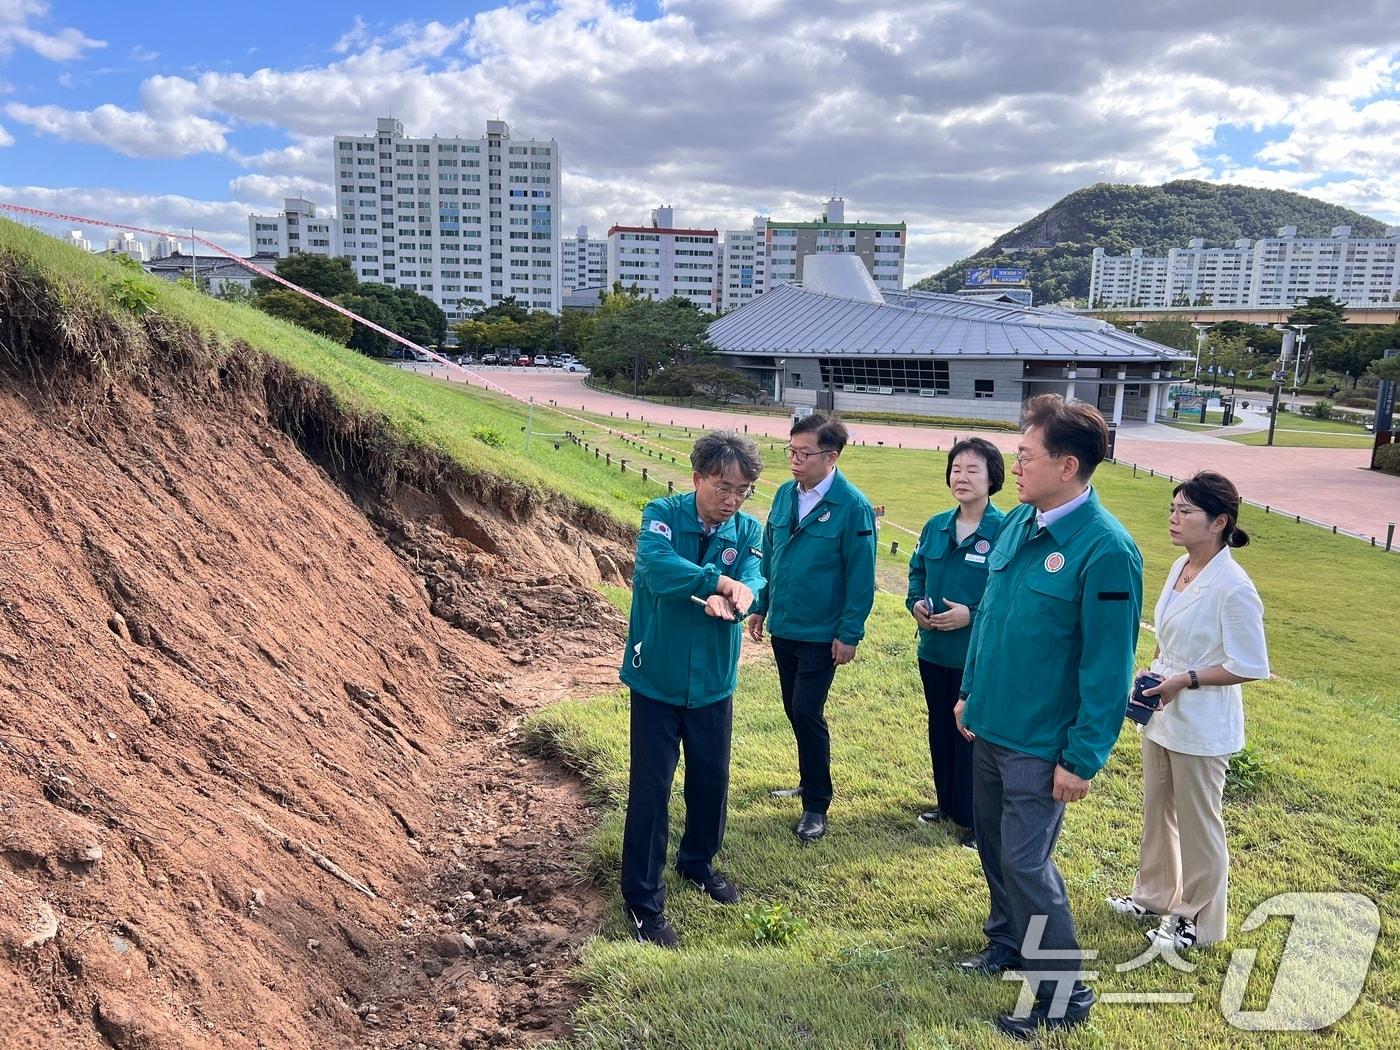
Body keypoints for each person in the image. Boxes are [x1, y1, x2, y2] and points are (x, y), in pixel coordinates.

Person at [952, 394, 1143, 1040]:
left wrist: (1082, 757)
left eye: (1025, 456)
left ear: (1066, 466)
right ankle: (1006, 943)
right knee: (997, 853)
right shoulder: (1019, 524)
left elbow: (1108, 666)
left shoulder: (1106, 550)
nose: (1016, 465)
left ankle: (1065, 993)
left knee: (1028, 865)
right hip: (990, 725)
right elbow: (992, 618)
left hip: (1041, 744)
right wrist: (969, 692)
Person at [1106, 471, 1269, 951]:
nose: (1174, 519)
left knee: (1200, 823)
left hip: (1202, 721)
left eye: (1186, 512)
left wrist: (1186, 679)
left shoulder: (1234, 587)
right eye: (1172, 510)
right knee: (1158, 810)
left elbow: (1250, 664)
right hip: (1162, 710)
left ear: (1220, 521)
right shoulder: (1181, 566)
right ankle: (1154, 895)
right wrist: (1160, 674)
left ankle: (1198, 921)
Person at [619, 430, 766, 948]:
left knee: (711, 780)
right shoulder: (662, 513)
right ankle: (642, 900)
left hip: (713, 684)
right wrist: (714, 582)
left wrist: (742, 595)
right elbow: (657, 569)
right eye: (723, 487)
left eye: (742, 490)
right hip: (657, 678)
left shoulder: (747, 529)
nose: (732, 500)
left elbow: (753, 576)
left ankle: (698, 863)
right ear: (698, 476)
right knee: (651, 791)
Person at [747, 412, 876, 844]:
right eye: (791, 451)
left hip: (823, 633)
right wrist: (761, 606)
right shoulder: (785, 495)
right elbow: (769, 554)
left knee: (806, 710)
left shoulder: (852, 506)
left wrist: (849, 633)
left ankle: (817, 803)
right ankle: (807, 780)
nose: (795, 460)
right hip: (784, 624)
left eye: (805, 453)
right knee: (793, 709)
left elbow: (861, 576)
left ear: (831, 456)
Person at [906, 438, 1007, 848]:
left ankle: (978, 822)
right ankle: (947, 803)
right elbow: (916, 573)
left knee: (974, 736)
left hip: (976, 656)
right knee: (940, 727)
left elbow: (1009, 594)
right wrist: (915, 602)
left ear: (992, 478)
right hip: (934, 651)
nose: (961, 478)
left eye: (972, 470)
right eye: (956, 469)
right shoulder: (936, 526)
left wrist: (973, 612)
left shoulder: (1005, 530)